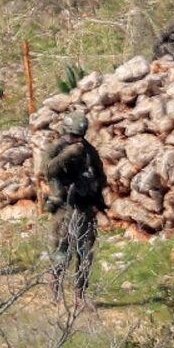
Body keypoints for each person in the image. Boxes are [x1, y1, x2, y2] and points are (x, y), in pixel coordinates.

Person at [43, 111, 107, 305]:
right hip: (64, 207)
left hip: (85, 206)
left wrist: (94, 191)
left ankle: (80, 295)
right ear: (65, 131)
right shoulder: (57, 148)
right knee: (62, 251)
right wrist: (67, 156)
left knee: (85, 252)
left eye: (80, 136)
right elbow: (46, 171)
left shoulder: (89, 151)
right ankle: (55, 289)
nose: (77, 140)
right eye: (73, 136)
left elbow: (101, 176)